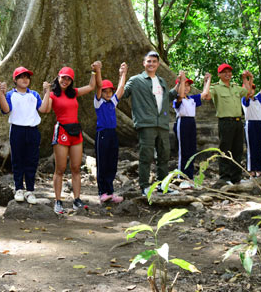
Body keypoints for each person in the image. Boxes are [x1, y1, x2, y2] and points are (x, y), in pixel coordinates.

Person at [39, 61, 100, 214]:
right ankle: (58, 201)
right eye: (63, 78)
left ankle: (77, 199)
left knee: (75, 168)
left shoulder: (74, 93)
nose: (65, 81)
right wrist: (46, 92)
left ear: (71, 81)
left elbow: (92, 86)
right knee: (60, 169)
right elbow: (44, 109)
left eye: (68, 79)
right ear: (58, 78)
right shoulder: (53, 94)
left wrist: (94, 71)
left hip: (76, 131)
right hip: (62, 132)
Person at [121, 52, 178, 195]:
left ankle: (162, 185)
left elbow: (168, 97)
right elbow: (122, 94)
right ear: (144, 63)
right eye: (149, 61)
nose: (151, 64)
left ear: (158, 64)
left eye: (154, 61)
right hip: (146, 124)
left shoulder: (162, 81)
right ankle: (145, 186)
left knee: (164, 156)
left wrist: (180, 83)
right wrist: (122, 75)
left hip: (162, 124)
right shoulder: (135, 80)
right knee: (146, 155)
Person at [0, 67, 43, 205]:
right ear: (15, 80)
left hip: (32, 130)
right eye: (21, 77)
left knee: (32, 160)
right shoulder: (11, 94)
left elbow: (43, 109)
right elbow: (6, 110)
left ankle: (30, 189)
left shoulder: (34, 95)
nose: (25, 79)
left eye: (27, 77)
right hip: (17, 130)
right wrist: (1, 93)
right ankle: (19, 188)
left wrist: (47, 92)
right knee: (17, 160)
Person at [205, 64, 251, 186]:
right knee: (225, 150)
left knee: (238, 150)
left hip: (238, 122)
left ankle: (236, 178)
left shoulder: (235, 87)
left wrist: (246, 79)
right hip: (225, 122)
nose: (227, 74)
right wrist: (207, 81)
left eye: (229, 72)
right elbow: (207, 96)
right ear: (219, 74)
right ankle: (225, 177)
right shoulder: (216, 87)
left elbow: (248, 92)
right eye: (224, 72)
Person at [93, 62, 128, 203]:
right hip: (102, 134)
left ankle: (110, 191)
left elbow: (121, 89)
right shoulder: (98, 102)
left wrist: (123, 74)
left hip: (112, 134)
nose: (107, 93)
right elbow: (99, 85)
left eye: (109, 91)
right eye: (105, 91)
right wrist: (98, 70)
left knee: (112, 163)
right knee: (102, 163)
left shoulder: (112, 102)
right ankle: (102, 192)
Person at [172, 70, 211, 189]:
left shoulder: (192, 99)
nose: (186, 87)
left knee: (192, 151)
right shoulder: (177, 99)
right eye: (184, 85)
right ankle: (182, 177)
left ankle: (189, 177)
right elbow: (180, 96)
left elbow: (204, 94)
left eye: (188, 85)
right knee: (183, 151)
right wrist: (181, 80)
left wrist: (207, 81)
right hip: (182, 123)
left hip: (191, 123)